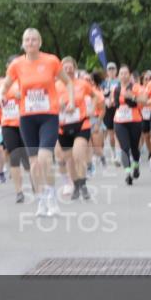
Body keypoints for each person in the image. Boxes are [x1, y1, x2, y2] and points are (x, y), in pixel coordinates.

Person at [0, 29, 74, 217]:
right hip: (27, 117)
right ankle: (40, 199)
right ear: (23, 44)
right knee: (33, 164)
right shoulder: (16, 64)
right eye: (27, 40)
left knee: (45, 158)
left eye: (33, 39)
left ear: (40, 42)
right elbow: (6, 85)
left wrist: (71, 101)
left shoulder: (51, 61)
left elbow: (68, 82)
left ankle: (51, 196)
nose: (30, 43)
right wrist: (0, 94)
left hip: (48, 115)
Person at [56, 57, 100, 201]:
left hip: (81, 123)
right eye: (65, 67)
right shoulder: (56, 86)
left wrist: (92, 109)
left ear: (75, 68)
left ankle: (83, 184)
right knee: (69, 159)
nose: (68, 70)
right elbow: (50, 104)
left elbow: (94, 97)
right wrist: (59, 106)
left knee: (78, 154)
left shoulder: (83, 84)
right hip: (63, 126)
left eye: (70, 67)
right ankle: (76, 185)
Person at [0, 63, 32, 204]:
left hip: (24, 122)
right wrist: (10, 95)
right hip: (8, 123)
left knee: (27, 157)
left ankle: (35, 183)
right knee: (14, 155)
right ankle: (19, 191)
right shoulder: (2, 83)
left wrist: (22, 95)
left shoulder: (26, 80)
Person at [112, 65, 146, 185]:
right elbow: (114, 104)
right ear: (118, 75)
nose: (124, 75)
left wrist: (132, 96)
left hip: (134, 121)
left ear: (130, 75)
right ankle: (127, 173)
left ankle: (136, 165)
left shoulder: (136, 87)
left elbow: (145, 99)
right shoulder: (115, 89)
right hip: (120, 121)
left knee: (134, 147)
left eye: (126, 73)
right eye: (121, 73)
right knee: (124, 147)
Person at [101, 62, 120, 166]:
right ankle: (113, 153)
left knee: (118, 133)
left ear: (116, 70)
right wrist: (106, 101)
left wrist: (115, 101)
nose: (111, 71)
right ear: (107, 71)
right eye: (109, 69)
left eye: (113, 69)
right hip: (108, 110)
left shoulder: (119, 81)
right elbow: (100, 95)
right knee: (111, 135)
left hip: (117, 109)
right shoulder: (104, 83)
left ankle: (118, 155)